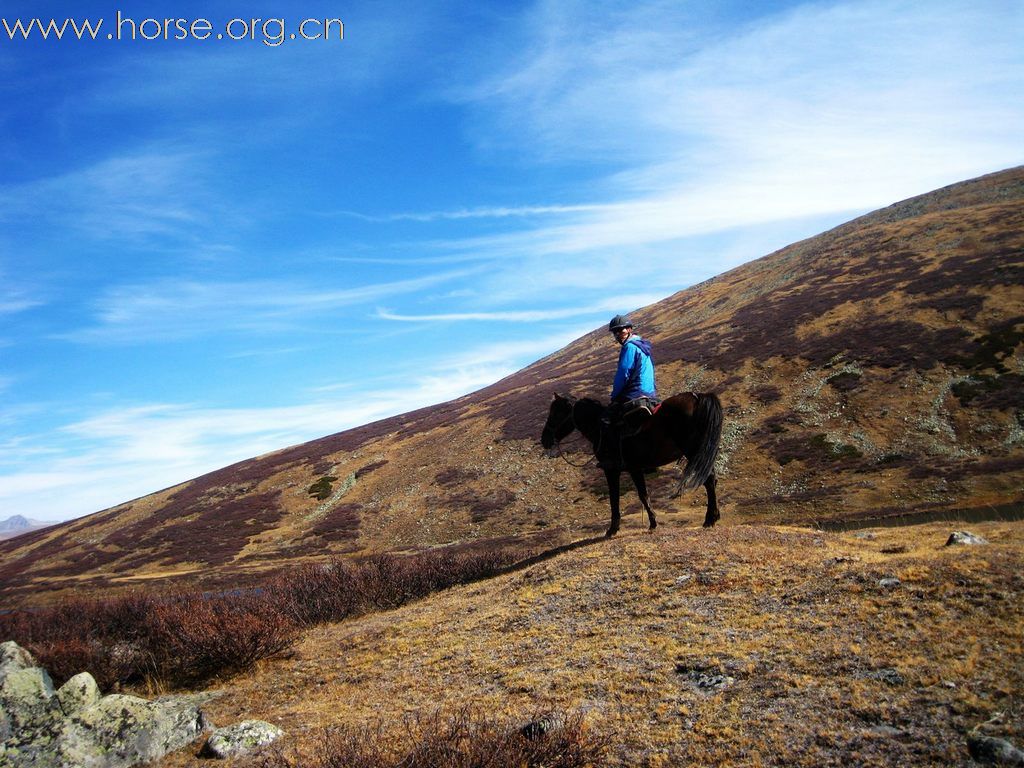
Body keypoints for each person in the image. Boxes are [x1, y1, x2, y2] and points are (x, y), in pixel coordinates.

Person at [608, 314, 657, 406]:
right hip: (650, 393)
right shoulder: (642, 346)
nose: (618, 335)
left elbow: (623, 373)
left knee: (605, 418)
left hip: (635, 392)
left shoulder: (630, 347)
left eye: (620, 331)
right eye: (615, 332)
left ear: (629, 330)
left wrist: (614, 395)